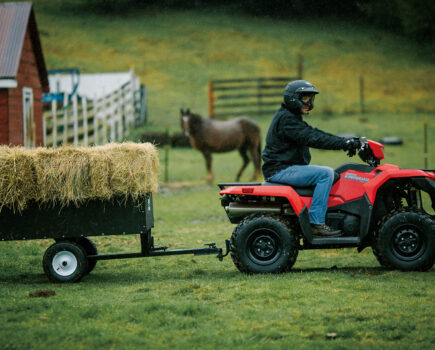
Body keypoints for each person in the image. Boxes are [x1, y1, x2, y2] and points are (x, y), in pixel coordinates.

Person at [261, 80, 360, 237]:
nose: (309, 103)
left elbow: (313, 132)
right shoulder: (287, 120)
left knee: (331, 173)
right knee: (325, 174)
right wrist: (344, 143)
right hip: (280, 170)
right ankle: (316, 223)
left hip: (283, 167)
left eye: (311, 99)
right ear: (293, 98)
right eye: (306, 98)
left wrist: (345, 142)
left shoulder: (289, 117)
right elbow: (313, 138)